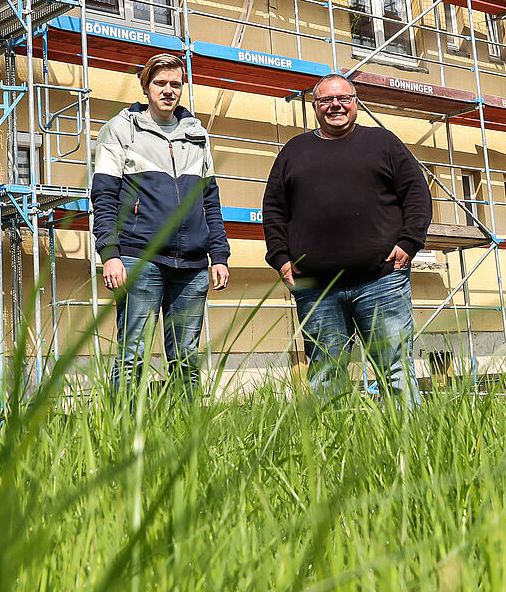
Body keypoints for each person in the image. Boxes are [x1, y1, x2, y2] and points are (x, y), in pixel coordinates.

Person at [262, 72, 430, 405]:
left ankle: (409, 448)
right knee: (326, 374)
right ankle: (332, 452)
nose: (335, 105)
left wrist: (409, 243)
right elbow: (273, 211)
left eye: (343, 99)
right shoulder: (293, 151)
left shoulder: (383, 142)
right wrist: (280, 260)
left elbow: (417, 194)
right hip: (316, 286)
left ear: (355, 103)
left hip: (381, 280)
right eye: (326, 100)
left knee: (395, 370)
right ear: (315, 105)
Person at [90, 53, 231, 397]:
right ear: (146, 87)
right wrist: (110, 254)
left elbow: (210, 200)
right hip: (141, 259)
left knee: (186, 359)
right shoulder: (120, 130)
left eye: (175, 84)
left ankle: (187, 436)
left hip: (194, 265)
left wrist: (220, 255)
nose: (168, 91)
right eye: (160, 84)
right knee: (132, 356)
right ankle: (121, 433)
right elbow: (104, 197)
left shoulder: (197, 135)